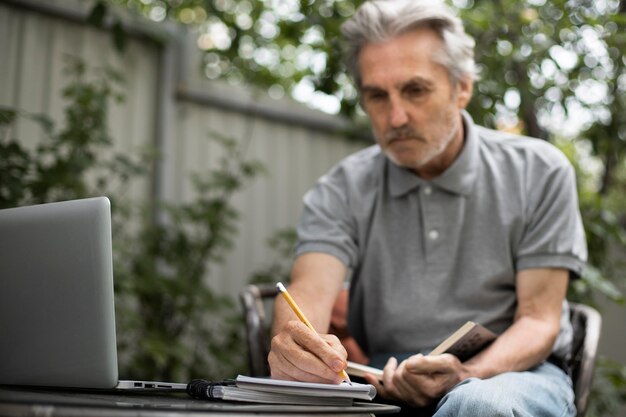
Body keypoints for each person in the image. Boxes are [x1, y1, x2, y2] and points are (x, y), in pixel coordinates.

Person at [268, 0, 587, 415]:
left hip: (510, 374)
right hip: (380, 373)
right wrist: (293, 342)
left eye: (415, 90)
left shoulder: (538, 171)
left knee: (479, 407)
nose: (396, 116)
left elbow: (539, 320)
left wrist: (469, 373)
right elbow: (308, 291)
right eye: (377, 96)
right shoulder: (341, 188)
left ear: (462, 88)